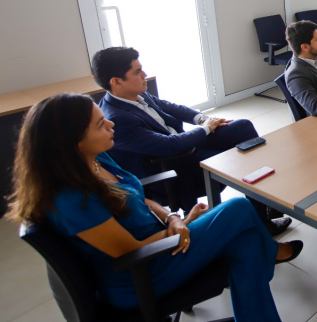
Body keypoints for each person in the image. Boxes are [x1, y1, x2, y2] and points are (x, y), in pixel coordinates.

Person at [6, 93, 303, 322]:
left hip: (164, 242)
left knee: (246, 240)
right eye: (100, 124)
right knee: (238, 208)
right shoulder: (72, 199)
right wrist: (179, 229)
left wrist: (174, 218)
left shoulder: (97, 160)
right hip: (141, 274)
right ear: (74, 143)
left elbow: (140, 197)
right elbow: (130, 251)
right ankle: (271, 253)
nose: (110, 124)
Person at [92, 47, 291, 236]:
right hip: (173, 165)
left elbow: (171, 107)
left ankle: (266, 202)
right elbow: (168, 146)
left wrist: (203, 119)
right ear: (117, 82)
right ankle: (262, 219)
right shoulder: (117, 118)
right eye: (137, 72)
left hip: (184, 146)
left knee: (243, 127)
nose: (144, 75)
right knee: (240, 161)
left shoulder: (136, 94)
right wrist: (206, 129)